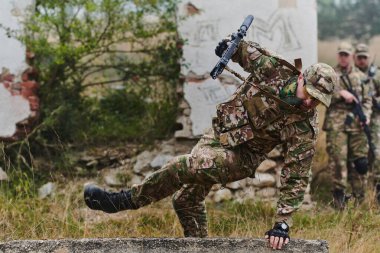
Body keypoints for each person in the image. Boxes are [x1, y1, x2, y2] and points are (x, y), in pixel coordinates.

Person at [84, 39, 336, 250]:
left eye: (317, 101)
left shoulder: (304, 127)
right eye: (310, 94)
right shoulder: (276, 70)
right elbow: (246, 53)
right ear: (301, 78)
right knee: (186, 200)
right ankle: (200, 247)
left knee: (182, 166)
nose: (309, 103)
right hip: (219, 135)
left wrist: (282, 223)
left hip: (243, 157)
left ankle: (123, 201)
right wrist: (230, 47)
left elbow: (297, 175)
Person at [323, 42, 371, 209]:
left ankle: (360, 201)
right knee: (338, 162)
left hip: (358, 125)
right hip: (337, 125)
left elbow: (367, 100)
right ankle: (339, 202)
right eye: (341, 54)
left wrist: (366, 117)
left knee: (360, 163)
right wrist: (339, 93)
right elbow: (321, 94)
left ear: (352, 56)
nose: (343, 57)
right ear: (338, 56)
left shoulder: (361, 77)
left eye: (346, 54)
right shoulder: (330, 74)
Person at [354, 43, 380, 205]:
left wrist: (376, 102)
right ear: (355, 58)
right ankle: (358, 194)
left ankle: (377, 191)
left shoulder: (376, 75)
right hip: (355, 122)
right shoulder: (350, 75)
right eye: (359, 57)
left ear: (368, 58)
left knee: (376, 155)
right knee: (358, 158)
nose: (362, 60)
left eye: (365, 57)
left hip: (375, 121)